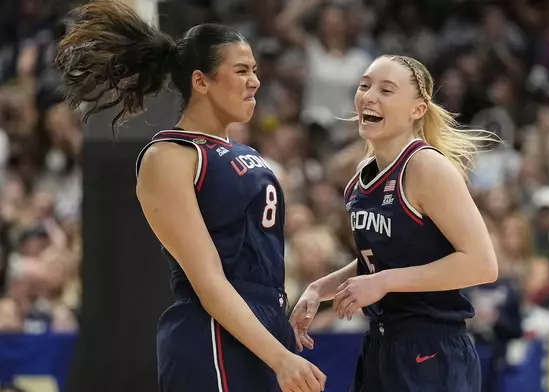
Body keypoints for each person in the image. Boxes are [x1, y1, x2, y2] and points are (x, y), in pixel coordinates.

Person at [55, 1, 326, 392]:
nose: (255, 81)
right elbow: (209, 280)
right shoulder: (169, 156)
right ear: (201, 81)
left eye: (254, 71)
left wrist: (280, 325)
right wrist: (279, 356)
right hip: (212, 333)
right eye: (241, 71)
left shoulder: (246, 152)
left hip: (263, 325)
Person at [290, 55, 499, 392]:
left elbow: (482, 264)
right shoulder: (361, 176)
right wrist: (319, 290)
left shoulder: (426, 167)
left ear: (417, 109)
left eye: (387, 90)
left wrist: (385, 282)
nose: (370, 96)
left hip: (431, 350)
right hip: (381, 346)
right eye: (365, 85)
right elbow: (378, 263)